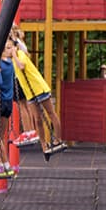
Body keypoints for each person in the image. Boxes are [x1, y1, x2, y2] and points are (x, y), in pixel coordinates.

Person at [8, 28, 66, 157]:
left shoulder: (20, 54)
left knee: (51, 113)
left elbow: (21, 66)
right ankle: (44, 145)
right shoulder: (12, 59)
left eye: (9, 48)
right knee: (38, 119)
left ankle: (58, 139)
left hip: (39, 88)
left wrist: (14, 54)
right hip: (30, 93)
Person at [8, 25, 39, 147]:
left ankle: (28, 131)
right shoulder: (20, 43)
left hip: (17, 77)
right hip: (22, 77)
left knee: (22, 106)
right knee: (26, 105)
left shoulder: (15, 44)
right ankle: (30, 131)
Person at [0, 41, 17, 179]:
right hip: (8, 101)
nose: (10, 50)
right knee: (2, 135)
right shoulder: (11, 64)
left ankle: (6, 164)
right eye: (8, 48)